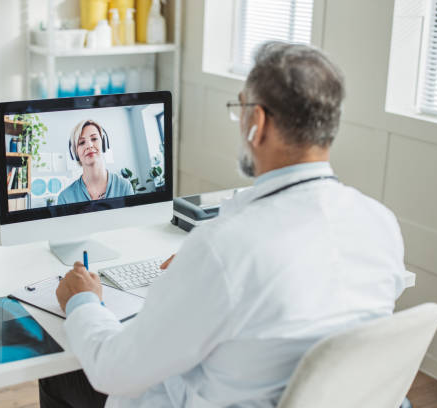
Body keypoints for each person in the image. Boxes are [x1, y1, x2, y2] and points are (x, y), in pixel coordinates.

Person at [41, 42, 407, 407]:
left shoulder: (223, 248)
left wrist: (83, 302)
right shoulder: (380, 223)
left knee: (60, 374)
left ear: (258, 123)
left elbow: (113, 371)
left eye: (242, 107)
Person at [58, 119, 134, 205]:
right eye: (82, 142)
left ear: (104, 144)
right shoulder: (65, 198)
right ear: (76, 153)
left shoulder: (124, 186)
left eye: (94, 139)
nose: (89, 145)